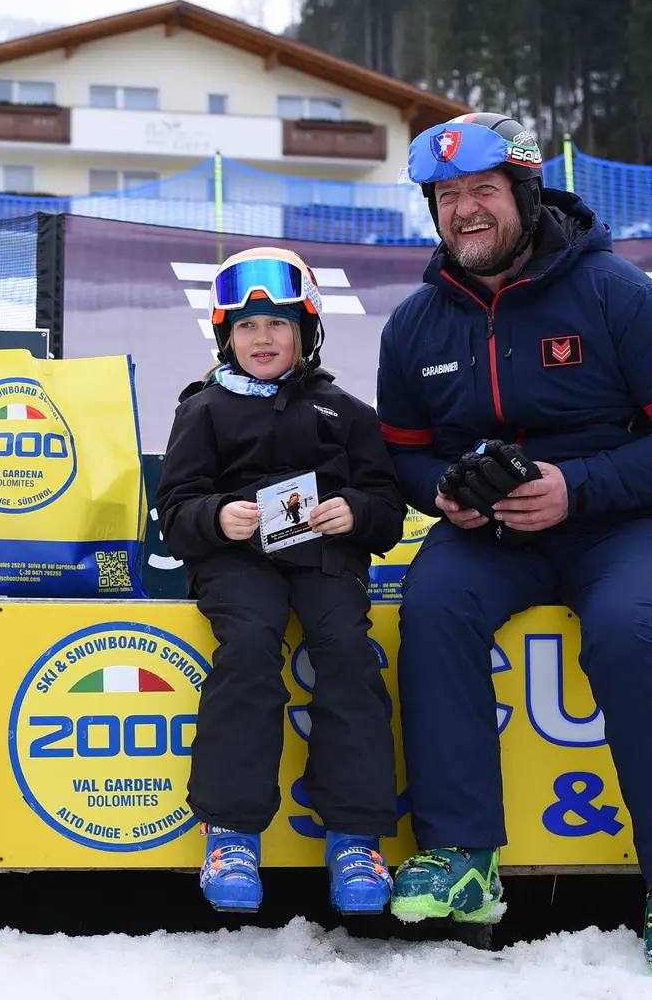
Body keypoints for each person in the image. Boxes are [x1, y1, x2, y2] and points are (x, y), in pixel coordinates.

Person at [378, 112, 652, 979]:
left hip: (626, 523)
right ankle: (462, 859)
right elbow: (403, 458)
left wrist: (578, 485)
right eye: (446, 197)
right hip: (492, 536)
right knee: (432, 602)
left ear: (524, 195)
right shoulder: (414, 323)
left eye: (481, 192)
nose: (464, 213)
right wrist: (446, 499)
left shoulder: (614, 291)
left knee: (627, 632)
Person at [155, 247, 404, 915]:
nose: (261, 338)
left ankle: (356, 839)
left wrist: (355, 512)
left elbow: (385, 506)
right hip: (237, 563)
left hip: (325, 560)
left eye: (277, 323)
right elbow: (174, 515)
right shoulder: (202, 410)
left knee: (347, 654)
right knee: (248, 649)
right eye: (244, 326)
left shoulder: (343, 410)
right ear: (224, 337)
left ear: (307, 330)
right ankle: (230, 833)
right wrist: (216, 516)